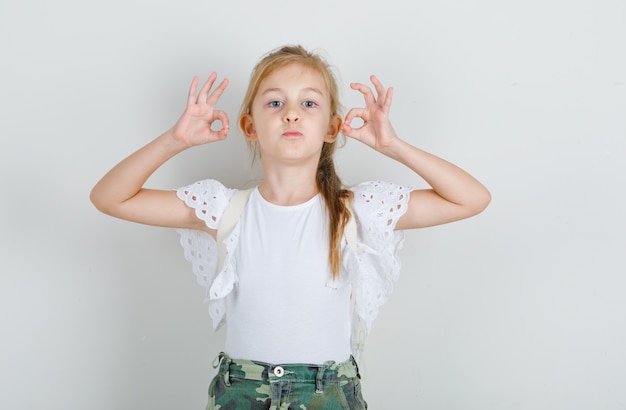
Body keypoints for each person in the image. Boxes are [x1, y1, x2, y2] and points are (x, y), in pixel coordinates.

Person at [90, 44, 490, 409]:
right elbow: (109, 198)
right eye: (275, 102)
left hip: (328, 395)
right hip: (240, 394)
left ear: (332, 129)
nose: (292, 113)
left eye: (309, 103)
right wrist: (174, 141)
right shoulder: (221, 208)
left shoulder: (357, 210)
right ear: (249, 126)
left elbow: (471, 198)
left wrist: (393, 146)